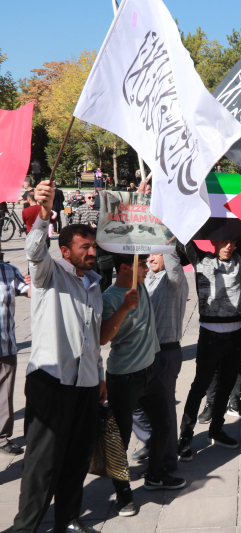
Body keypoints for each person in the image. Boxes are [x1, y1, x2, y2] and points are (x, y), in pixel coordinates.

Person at [14, 180, 106, 533]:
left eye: (94, 247)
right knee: (42, 462)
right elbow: (35, 251)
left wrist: (98, 375)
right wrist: (42, 214)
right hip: (50, 381)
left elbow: (92, 338)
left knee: (76, 457)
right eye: (85, 247)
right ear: (65, 251)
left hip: (83, 383)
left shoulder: (94, 284)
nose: (92, 252)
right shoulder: (48, 274)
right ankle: (26, 526)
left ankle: (68, 518)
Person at [101, 254, 185, 517]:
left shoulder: (143, 288)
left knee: (164, 426)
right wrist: (124, 307)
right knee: (120, 439)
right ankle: (123, 493)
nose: (147, 267)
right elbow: (103, 337)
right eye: (142, 264)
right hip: (124, 378)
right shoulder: (110, 297)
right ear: (125, 267)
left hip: (151, 373)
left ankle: (155, 475)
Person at [177, 235, 241, 459]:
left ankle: (217, 430)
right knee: (199, 387)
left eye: (232, 242)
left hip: (235, 335)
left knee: (226, 387)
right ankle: (186, 437)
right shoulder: (201, 260)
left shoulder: (239, 259)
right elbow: (184, 240)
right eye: (224, 241)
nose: (229, 245)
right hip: (210, 336)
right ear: (214, 242)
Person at [130, 249, 189, 474]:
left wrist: (166, 238)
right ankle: (154, 442)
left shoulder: (175, 278)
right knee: (133, 403)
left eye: (157, 254)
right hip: (143, 352)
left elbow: (173, 262)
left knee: (165, 409)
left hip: (165, 353)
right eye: (149, 255)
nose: (151, 258)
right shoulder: (148, 279)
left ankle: (167, 460)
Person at [0, 262, 30, 456]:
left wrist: (36, 281)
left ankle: (2, 437)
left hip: (5, 345)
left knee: (5, 393)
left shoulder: (9, 270)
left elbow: (29, 291)